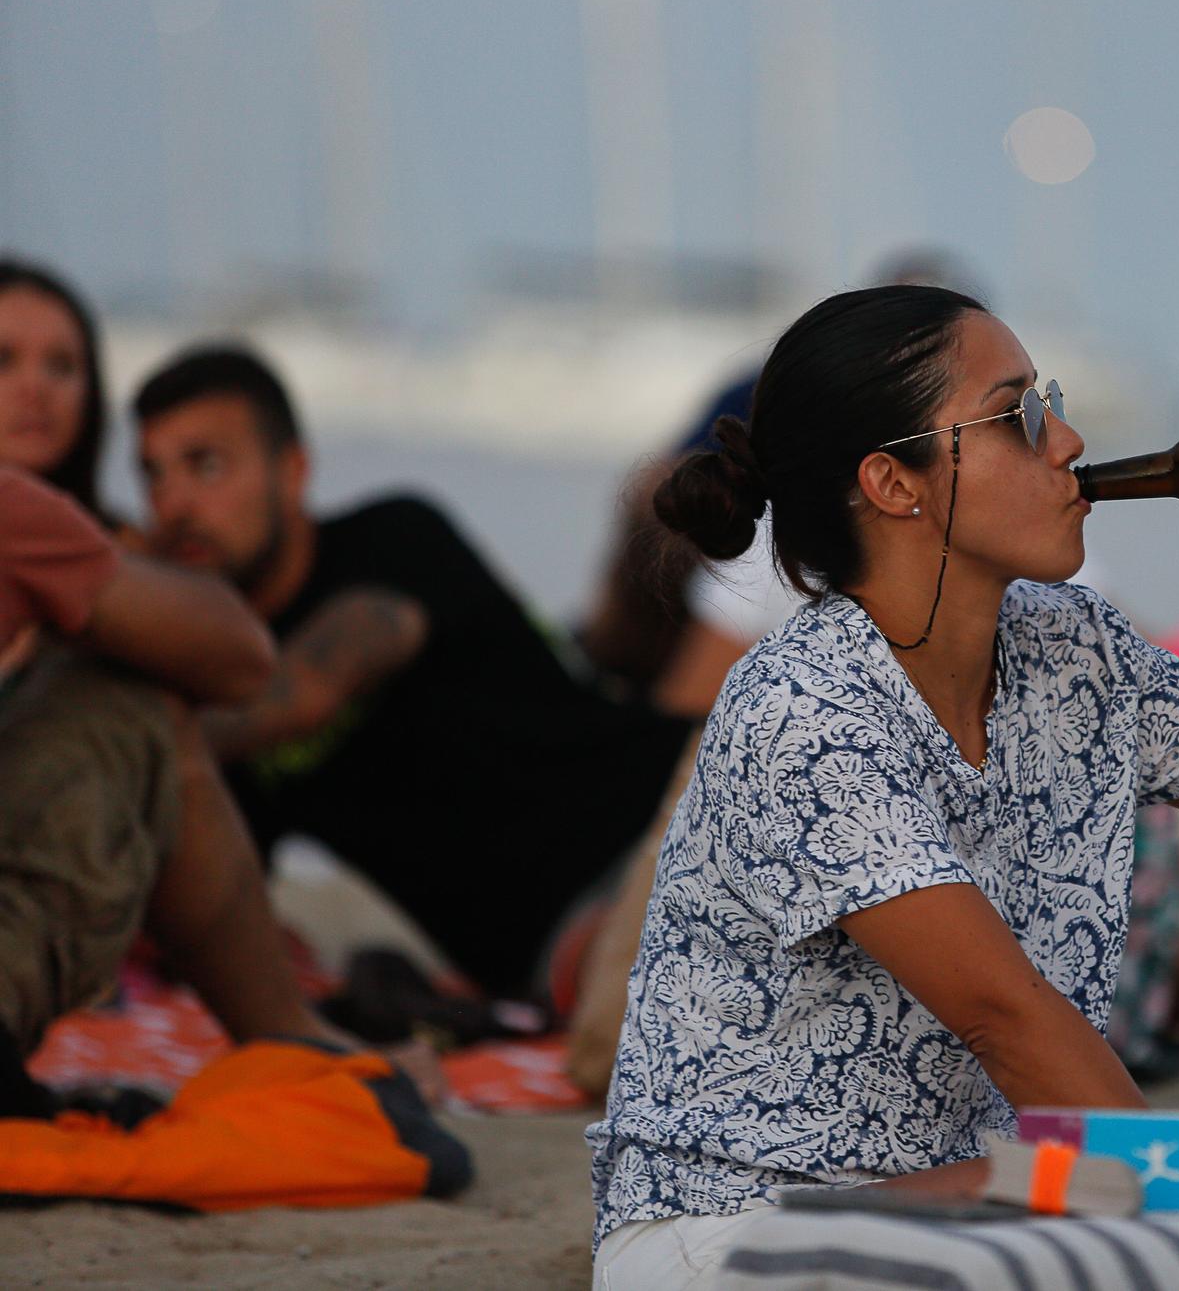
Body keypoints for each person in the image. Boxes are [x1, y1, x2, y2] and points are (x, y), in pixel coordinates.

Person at [587, 285, 1179, 1287]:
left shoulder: (1069, 644)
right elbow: (1005, 1018)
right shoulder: (805, 710)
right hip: (748, 1220)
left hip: (983, 1184)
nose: (1069, 441)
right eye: (1019, 418)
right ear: (891, 482)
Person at [130, 345, 696, 1002]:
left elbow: (307, 691)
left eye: (206, 464)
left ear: (292, 471)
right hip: (557, 944)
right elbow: (213, 898)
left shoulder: (393, 539)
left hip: (664, 805)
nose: (172, 504)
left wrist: (128, 705)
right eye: (153, 476)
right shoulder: (208, 707)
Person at [0, 259, 343, 1112]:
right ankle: (294, 1042)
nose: (34, 390)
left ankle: (293, 1036)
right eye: (2, 361)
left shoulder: (102, 548)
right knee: (140, 684)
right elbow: (254, 666)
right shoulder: (31, 526)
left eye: (62, 365)